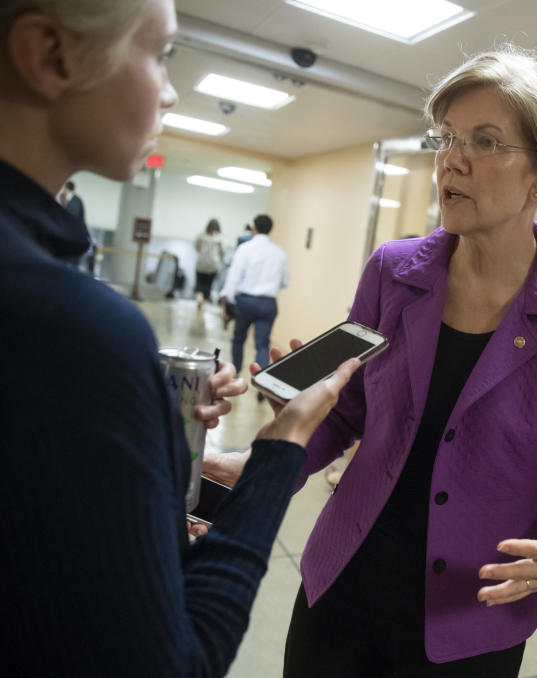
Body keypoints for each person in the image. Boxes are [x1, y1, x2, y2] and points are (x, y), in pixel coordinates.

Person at [205, 45, 537, 676]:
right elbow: (348, 407)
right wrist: (268, 460)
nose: (453, 160)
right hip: (342, 582)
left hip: (474, 613)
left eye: (486, 142)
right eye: (449, 138)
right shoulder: (393, 271)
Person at [0, 1, 358, 675]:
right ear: (50, 54)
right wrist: (281, 448)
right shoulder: (77, 328)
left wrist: (150, 440)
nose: (169, 91)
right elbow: (179, 661)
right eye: (161, 55)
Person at [220, 213, 289, 375]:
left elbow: (233, 277)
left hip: (245, 301)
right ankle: (261, 377)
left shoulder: (245, 249)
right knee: (263, 344)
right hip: (268, 303)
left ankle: (236, 372)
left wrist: (226, 302)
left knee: (239, 339)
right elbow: (285, 282)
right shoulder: (279, 253)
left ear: (253, 228)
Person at [57, 179, 89, 266]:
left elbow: (72, 216)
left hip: (74, 237)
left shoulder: (75, 201)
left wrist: (63, 205)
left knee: (71, 262)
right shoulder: (71, 200)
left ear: (67, 188)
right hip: (72, 237)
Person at [194, 217, 224, 307]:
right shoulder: (219, 238)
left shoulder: (201, 236)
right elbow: (221, 252)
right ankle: (205, 301)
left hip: (201, 263)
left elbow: (196, 248)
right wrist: (221, 259)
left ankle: (199, 298)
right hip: (212, 265)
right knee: (208, 284)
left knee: (199, 283)